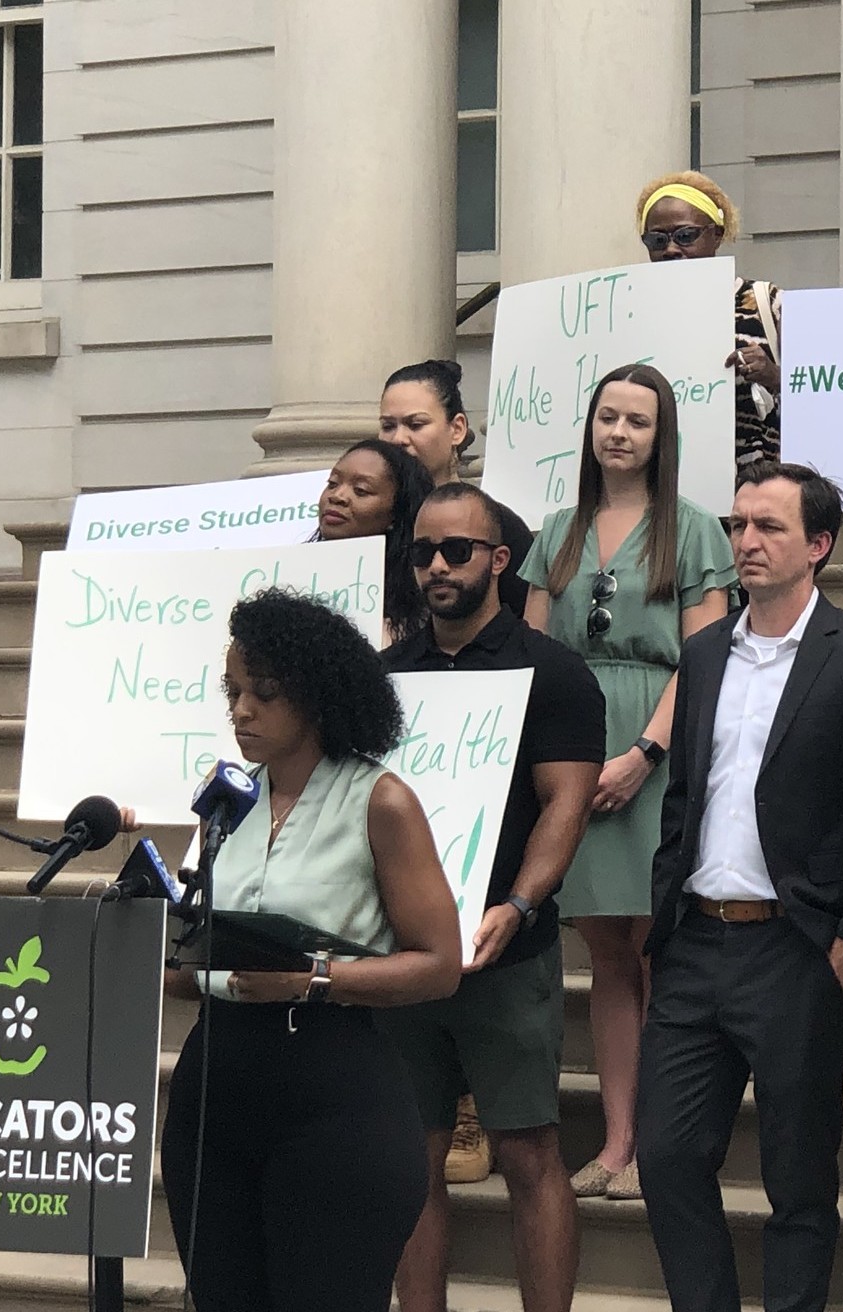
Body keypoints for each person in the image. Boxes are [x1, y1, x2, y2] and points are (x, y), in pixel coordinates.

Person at [636, 460, 843, 1312]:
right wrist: (664, 917)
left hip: (799, 948)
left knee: (798, 1177)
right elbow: (686, 795)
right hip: (695, 942)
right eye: (738, 524)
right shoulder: (705, 653)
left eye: (769, 527)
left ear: (820, 545)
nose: (746, 541)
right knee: (669, 1156)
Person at [158, 589, 461, 1312]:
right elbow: (196, 962)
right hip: (215, 1091)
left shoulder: (380, 801)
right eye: (232, 692)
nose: (240, 710)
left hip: (332, 1091)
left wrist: (312, 979)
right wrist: (171, 949)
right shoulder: (225, 803)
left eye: (263, 693)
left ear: (317, 696)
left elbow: (440, 964)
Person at [380, 483, 606, 1312]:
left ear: (500, 560)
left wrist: (519, 903)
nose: (436, 567)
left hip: (508, 950)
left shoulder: (552, 672)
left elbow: (567, 805)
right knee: (413, 1155)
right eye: (421, 553)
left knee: (527, 1153)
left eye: (457, 551)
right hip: (403, 951)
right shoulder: (384, 678)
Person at [521, 363, 736, 1200]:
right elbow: (533, 658)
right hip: (572, 749)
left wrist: (645, 753)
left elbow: (706, 656)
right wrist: (563, 769)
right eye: (607, 417)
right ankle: (615, 1143)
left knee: (656, 948)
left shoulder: (693, 529)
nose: (618, 433)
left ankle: (660, 1143)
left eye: (637, 422)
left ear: (661, 436)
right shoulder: (555, 532)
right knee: (608, 952)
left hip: (659, 746)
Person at [635, 171, 784, 471]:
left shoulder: (766, 302)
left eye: (686, 236)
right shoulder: (632, 310)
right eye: (657, 239)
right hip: (662, 486)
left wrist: (773, 375)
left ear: (716, 233)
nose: (671, 249)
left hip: (753, 489)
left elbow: (819, 394)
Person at [380, 359, 535, 614]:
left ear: (457, 429)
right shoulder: (370, 522)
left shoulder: (499, 525)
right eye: (388, 426)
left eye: (416, 424)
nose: (398, 439)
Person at [314, 438, 435, 644]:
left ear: (396, 514)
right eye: (332, 484)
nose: (338, 496)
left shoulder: (421, 604)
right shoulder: (292, 574)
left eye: (361, 490)